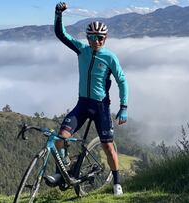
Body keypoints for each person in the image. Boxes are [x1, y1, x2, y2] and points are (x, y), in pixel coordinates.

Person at [45, 2, 128, 196]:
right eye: (92, 37)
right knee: (60, 138)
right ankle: (60, 173)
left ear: (105, 38)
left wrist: (123, 106)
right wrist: (58, 14)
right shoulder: (82, 49)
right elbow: (61, 35)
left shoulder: (110, 57)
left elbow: (122, 81)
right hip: (82, 104)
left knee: (108, 146)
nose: (96, 41)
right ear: (87, 37)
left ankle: (117, 182)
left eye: (100, 38)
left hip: (101, 107)